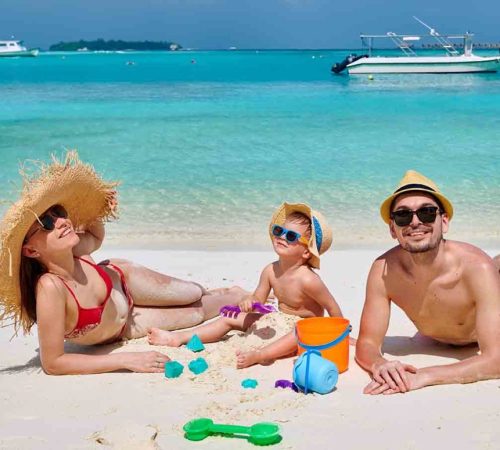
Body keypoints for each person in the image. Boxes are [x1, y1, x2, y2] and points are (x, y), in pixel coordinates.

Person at [0, 151, 245, 375]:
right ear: (31, 250)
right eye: (46, 223)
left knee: (191, 292)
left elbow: (96, 236)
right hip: (126, 324)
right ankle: (234, 294)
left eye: (59, 213)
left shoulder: (75, 248)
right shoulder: (50, 288)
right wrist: (126, 360)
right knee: (196, 313)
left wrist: (97, 205)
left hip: (124, 280)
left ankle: (221, 291)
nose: (62, 221)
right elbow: (53, 363)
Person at [355, 170, 500, 394]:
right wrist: (380, 365)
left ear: (444, 221)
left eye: (427, 213)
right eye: (403, 216)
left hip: (485, 288)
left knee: (492, 268)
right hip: (443, 332)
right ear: (393, 229)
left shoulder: (476, 269)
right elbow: (367, 344)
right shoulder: (384, 271)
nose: (415, 222)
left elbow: (495, 359)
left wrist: (424, 375)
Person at [148, 202, 343, 369]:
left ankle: (259, 355)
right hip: (276, 320)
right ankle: (179, 337)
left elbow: (332, 307)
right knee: (228, 318)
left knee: (298, 333)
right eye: (279, 231)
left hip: (303, 328)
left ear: (307, 252)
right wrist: (250, 301)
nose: (282, 236)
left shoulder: (308, 280)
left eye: (291, 236)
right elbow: (259, 298)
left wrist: (340, 336)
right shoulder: (270, 270)